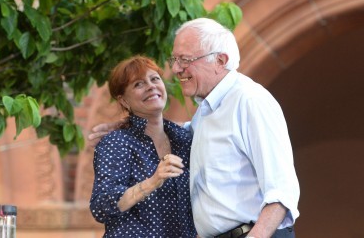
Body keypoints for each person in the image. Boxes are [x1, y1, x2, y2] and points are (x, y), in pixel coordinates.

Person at [89, 18, 300, 238]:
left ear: (220, 60)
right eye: (175, 59)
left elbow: (281, 187)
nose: (177, 69)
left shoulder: (249, 101)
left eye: (185, 59)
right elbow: (187, 131)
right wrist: (126, 124)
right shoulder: (205, 112)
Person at [89, 55, 197, 238]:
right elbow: (101, 207)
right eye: (138, 84)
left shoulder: (184, 140)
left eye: (155, 79)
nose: (151, 86)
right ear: (123, 101)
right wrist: (152, 182)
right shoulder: (117, 143)